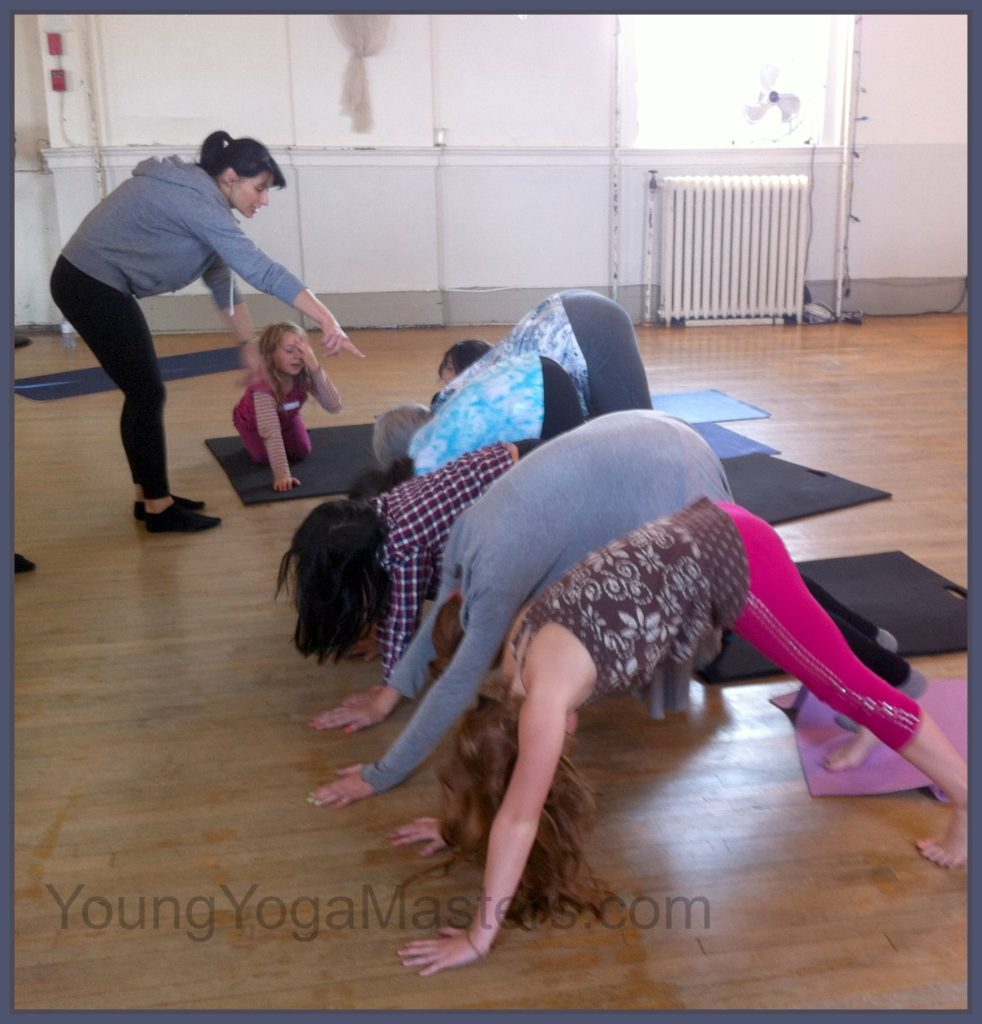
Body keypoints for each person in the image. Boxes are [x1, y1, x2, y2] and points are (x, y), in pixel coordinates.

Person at [392, 497, 968, 975]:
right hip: (704, 522)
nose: (568, 742)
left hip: (733, 559)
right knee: (836, 666)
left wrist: (478, 935)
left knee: (848, 686)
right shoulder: (519, 649)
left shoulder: (542, 702)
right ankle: (881, 718)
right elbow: (507, 787)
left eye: (551, 751)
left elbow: (520, 814)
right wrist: (463, 820)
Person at [307, 410, 734, 804]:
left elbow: (456, 683)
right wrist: (387, 698)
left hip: (667, 466)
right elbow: (438, 621)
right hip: (644, 435)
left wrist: (381, 774)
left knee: (668, 615)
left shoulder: (495, 576)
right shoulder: (465, 535)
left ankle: (731, 625)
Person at [49, 130, 363, 533]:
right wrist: (326, 317)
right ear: (231, 176)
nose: (264, 199)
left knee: (144, 391)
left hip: (93, 282)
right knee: (146, 391)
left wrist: (248, 343)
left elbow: (221, 278)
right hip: (86, 282)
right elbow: (261, 269)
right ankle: (159, 508)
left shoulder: (203, 201)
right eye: (260, 188)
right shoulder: (196, 200)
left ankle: (148, 496)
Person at [277, 441, 523, 723]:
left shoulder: (402, 547)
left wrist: (385, 696)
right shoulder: (373, 519)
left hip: (522, 481)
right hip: (505, 471)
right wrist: (381, 638)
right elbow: (389, 593)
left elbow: (403, 621)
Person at [431, 290, 652, 420]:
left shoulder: (454, 404)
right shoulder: (502, 367)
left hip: (583, 325)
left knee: (640, 437)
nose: (446, 380)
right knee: (627, 431)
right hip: (570, 310)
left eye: (450, 368)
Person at [377, 353, 586, 476]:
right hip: (533, 369)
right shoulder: (443, 417)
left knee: (572, 474)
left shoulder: (424, 464)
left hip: (540, 396)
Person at [233, 322, 342, 492]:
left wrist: (315, 367)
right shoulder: (264, 386)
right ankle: (251, 440)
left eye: (302, 351)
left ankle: (290, 428)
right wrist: (282, 474)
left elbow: (334, 406)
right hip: (254, 424)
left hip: (287, 417)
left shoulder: (303, 375)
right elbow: (270, 431)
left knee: (302, 451)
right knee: (263, 457)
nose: (297, 356)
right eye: (289, 350)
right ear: (271, 354)